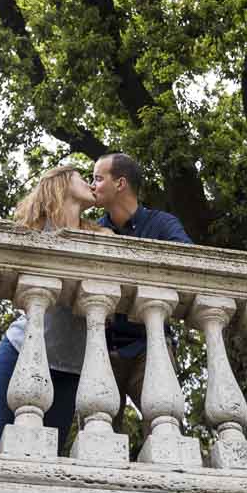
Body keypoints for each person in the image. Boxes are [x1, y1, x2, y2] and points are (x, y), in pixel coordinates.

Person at [0, 164, 112, 455]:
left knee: (48, 457)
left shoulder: (101, 236)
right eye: (82, 178)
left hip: (72, 370)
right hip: (21, 354)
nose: (90, 183)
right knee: (1, 451)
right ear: (60, 183)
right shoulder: (33, 232)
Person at [91, 152, 192, 433]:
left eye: (98, 178)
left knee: (166, 430)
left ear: (120, 183)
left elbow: (191, 263)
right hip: (103, 345)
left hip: (152, 344)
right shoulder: (94, 229)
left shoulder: (161, 223)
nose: (92, 186)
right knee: (98, 436)